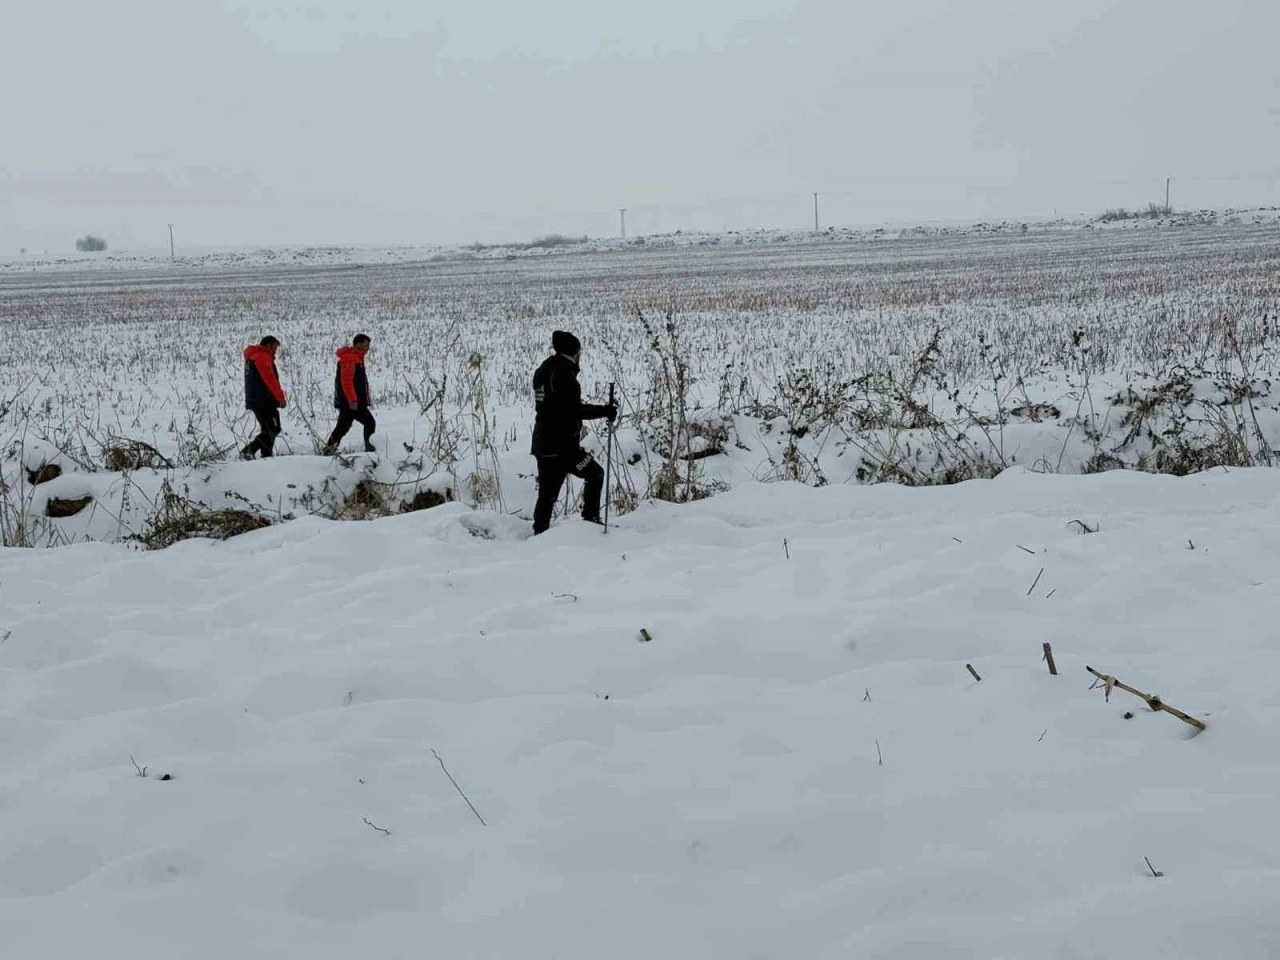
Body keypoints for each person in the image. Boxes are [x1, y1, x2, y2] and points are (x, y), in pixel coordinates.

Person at [531, 330, 617, 534]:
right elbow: (573, 410)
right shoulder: (564, 375)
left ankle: (539, 533)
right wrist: (604, 411)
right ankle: (590, 522)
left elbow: (558, 407)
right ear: (576, 351)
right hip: (563, 449)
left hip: (544, 445)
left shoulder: (544, 369)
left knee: (547, 495)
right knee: (595, 474)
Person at [324, 334, 376, 455]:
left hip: (354, 401)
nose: (368, 348)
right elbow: (346, 381)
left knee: (343, 426)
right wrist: (352, 400)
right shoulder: (349, 358)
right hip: (351, 402)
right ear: (358, 344)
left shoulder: (357, 357)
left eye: (368, 345)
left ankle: (328, 449)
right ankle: (370, 451)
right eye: (366, 345)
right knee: (369, 423)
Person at [241, 336, 286, 459]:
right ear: (268, 345)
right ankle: (249, 450)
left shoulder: (252, 358)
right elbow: (270, 380)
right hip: (264, 401)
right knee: (273, 428)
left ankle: (266, 456)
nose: (275, 351)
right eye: (274, 348)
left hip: (256, 400)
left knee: (268, 429)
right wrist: (280, 398)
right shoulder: (262, 357)